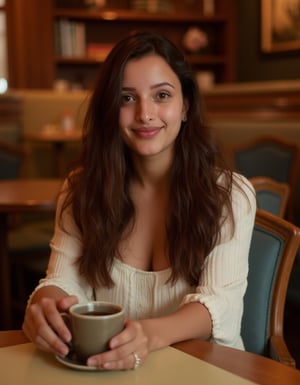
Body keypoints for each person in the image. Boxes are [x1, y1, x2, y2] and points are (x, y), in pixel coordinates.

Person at [23, 31, 256, 371]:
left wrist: (147, 335)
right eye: (127, 98)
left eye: (162, 95)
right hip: (106, 374)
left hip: (207, 371)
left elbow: (218, 305)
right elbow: (63, 281)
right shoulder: (82, 189)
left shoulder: (230, 195)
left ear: (185, 105)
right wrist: (46, 307)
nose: (145, 114)